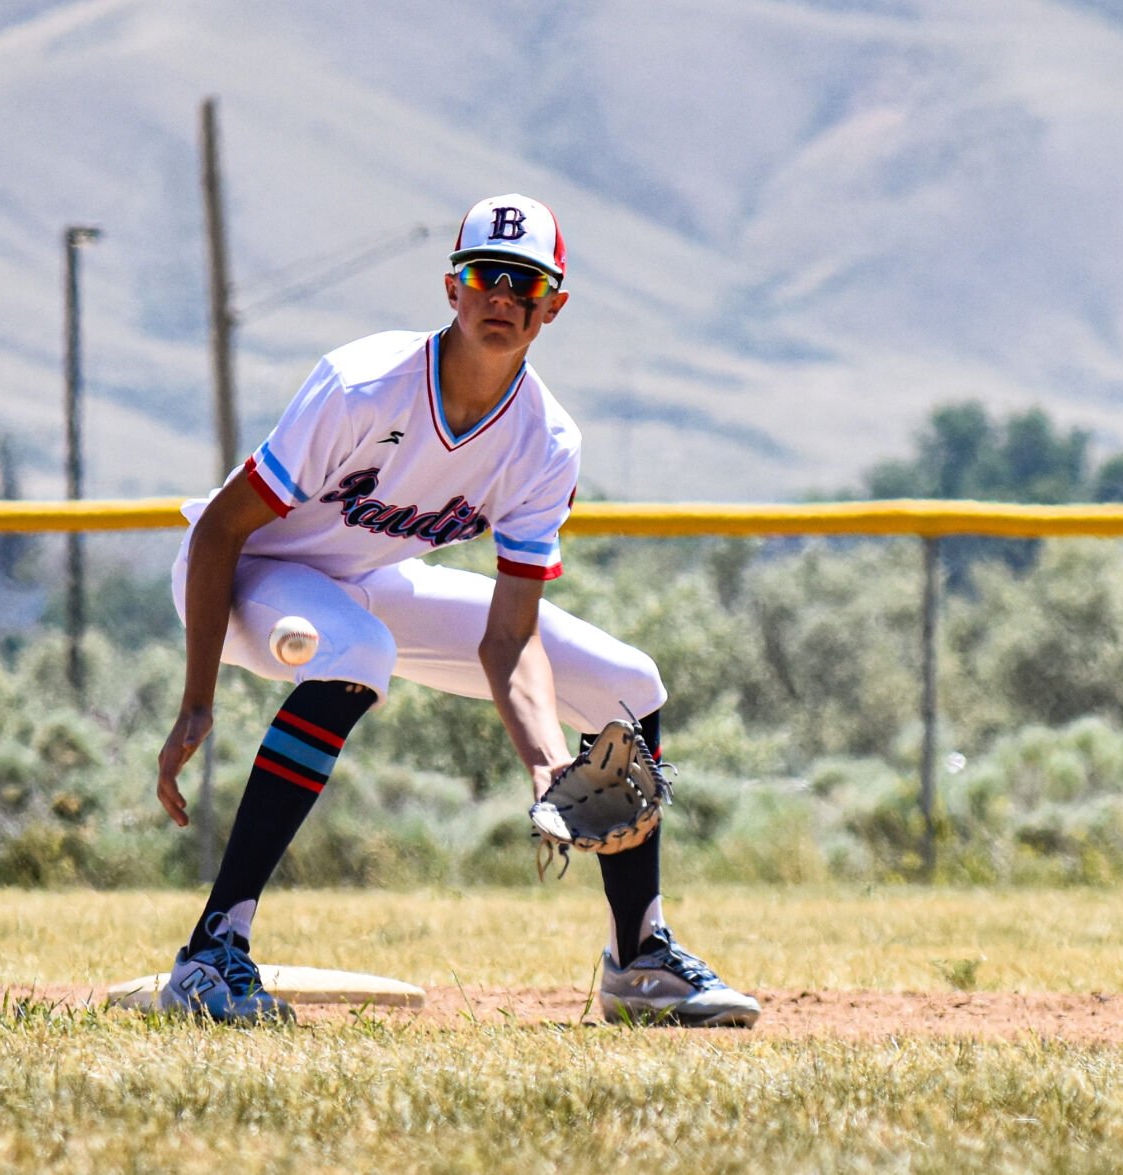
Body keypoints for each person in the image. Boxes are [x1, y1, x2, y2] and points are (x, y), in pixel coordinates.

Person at [153, 194, 760, 1028]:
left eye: (524, 281)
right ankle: (211, 950)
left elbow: (508, 638)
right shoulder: (364, 385)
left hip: (365, 579)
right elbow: (222, 529)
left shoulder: (544, 442)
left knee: (627, 683)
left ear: (555, 304)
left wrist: (548, 762)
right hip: (244, 575)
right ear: (451, 288)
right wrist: (197, 701)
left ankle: (640, 959)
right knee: (359, 650)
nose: (501, 296)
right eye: (484, 275)